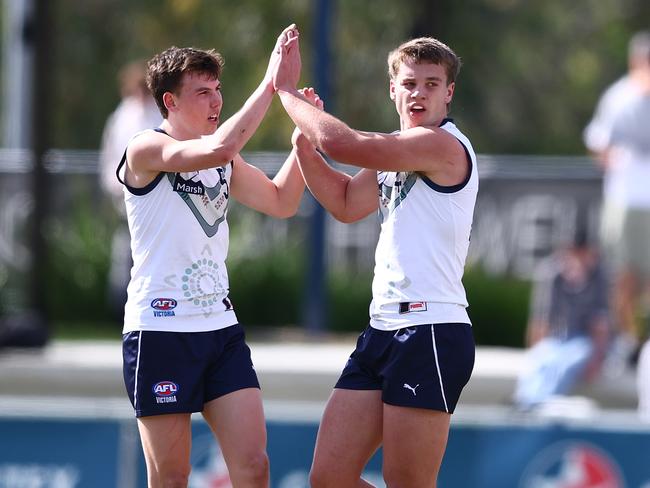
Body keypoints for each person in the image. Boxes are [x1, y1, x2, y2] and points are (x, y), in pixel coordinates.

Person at [275, 33, 477, 487]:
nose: (419, 92)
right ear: (393, 89)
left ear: (449, 92)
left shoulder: (440, 145)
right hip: (383, 329)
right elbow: (346, 202)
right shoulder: (397, 148)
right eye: (409, 83)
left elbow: (343, 144)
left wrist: (286, 92)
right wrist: (305, 146)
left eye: (431, 83)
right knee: (329, 477)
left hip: (430, 330)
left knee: (406, 482)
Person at [119, 25, 304, 487]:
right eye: (202, 93)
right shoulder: (146, 148)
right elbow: (221, 145)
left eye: (218, 90)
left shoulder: (222, 159)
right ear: (170, 103)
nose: (216, 101)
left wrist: (304, 141)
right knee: (172, 477)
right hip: (159, 331)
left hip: (218, 329)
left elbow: (281, 202)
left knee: (254, 466)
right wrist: (272, 86)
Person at [583, 31, 650, 369]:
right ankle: (629, 342)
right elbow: (598, 142)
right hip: (625, 202)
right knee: (624, 277)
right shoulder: (619, 97)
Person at [512, 227, 611, 410]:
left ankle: (540, 404)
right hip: (557, 338)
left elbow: (600, 325)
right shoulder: (552, 273)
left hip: (584, 339)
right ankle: (525, 402)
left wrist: (597, 359)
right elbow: (540, 321)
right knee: (539, 362)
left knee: (568, 363)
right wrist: (536, 350)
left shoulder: (599, 275)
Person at [98, 60, 162, 321]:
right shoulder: (121, 116)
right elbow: (111, 156)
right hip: (127, 193)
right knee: (127, 252)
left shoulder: (158, 114)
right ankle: (120, 308)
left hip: (156, 194)